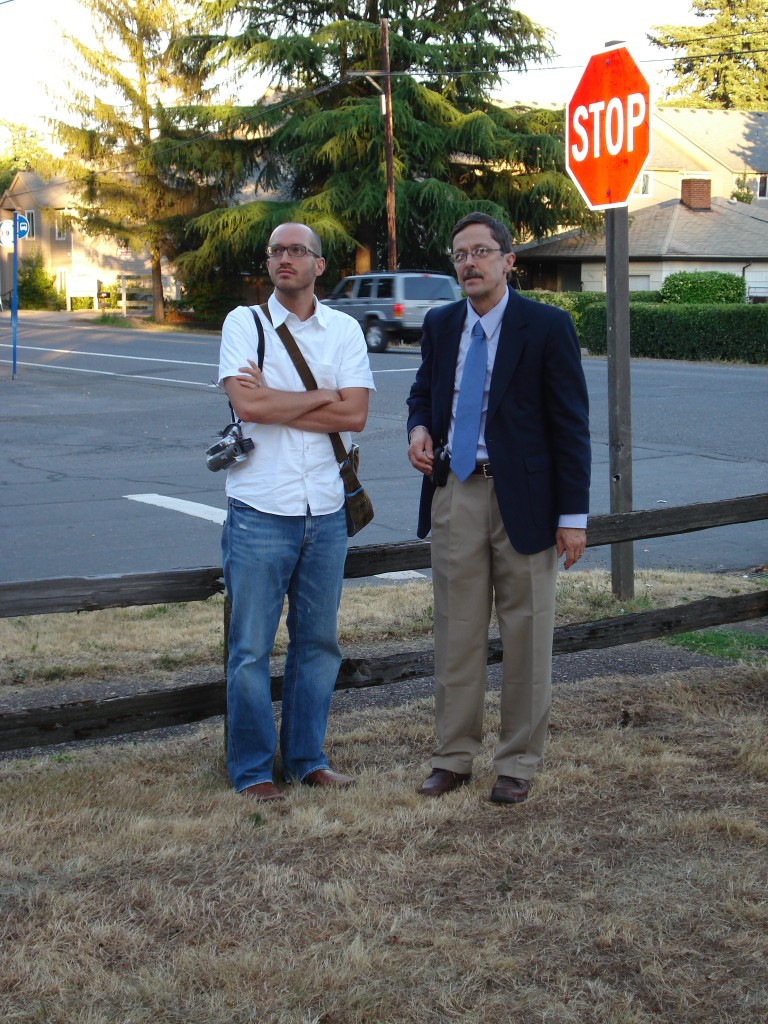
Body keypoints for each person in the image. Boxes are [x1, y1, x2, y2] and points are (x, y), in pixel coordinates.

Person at [406, 211, 591, 804]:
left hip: (527, 503)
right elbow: (422, 391)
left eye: (481, 252)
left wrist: (573, 518)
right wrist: (418, 428)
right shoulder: (440, 325)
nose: (470, 263)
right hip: (455, 492)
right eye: (460, 254)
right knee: (456, 632)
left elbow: (571, 426)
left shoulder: (547, 326)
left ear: (508, 261)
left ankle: (517, 763)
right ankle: (452, 756)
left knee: (527, 632)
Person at [218, 222, 375, 802]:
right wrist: (323, 396)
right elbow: (247, 404)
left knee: (318, 646)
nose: (285, 258)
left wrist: (276, 401)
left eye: (297, 251)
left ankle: (307, 759)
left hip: (327, 511)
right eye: (276, 251)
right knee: (250, 650)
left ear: (319, 265)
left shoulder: (344, 330)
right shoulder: (245, 323)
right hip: (260, 507)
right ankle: (254, 770)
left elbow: (355, 415)